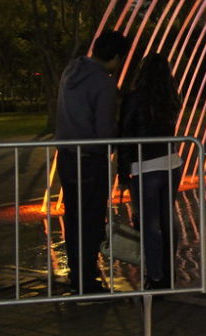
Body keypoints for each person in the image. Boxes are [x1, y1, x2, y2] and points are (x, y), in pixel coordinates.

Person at [55, 30, 130, 295]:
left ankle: (78, 276)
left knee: (74, 217)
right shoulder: (103, 83)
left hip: (66, 157)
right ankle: (87, 281)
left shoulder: (70, 72)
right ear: (116, 56)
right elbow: (105, 131)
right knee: (91, 220)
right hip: (90, 159)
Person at [118, 53, 183, 290]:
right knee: (168, 219)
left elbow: (125, 137)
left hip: (146, 167)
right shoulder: (171, 98)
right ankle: (168, 271)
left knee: (150, 224)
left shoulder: (134, 99)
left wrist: (123, 174)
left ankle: (155, 276)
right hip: (172, 164)